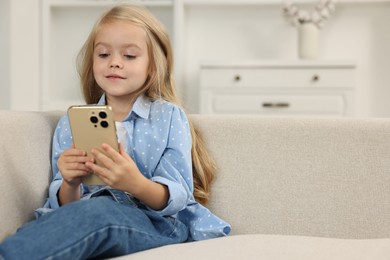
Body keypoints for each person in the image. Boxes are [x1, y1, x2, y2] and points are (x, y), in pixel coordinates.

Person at [0, 4, 230, 259]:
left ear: (152, 67)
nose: (115, 63)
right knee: (50, 226)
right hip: (84, 214)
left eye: (129, 56)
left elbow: (177, 196)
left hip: (152, 220)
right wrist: (70, 181)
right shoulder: (71, 122)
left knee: (99, 214)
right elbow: (67, 205)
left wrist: (135, 183)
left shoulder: (168, 117)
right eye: (103, 54)